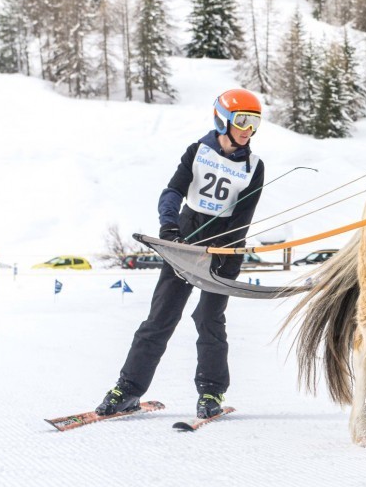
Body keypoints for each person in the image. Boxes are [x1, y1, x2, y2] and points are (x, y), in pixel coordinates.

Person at [95, 88, 266, 418]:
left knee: (209, 319)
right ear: (223, 120)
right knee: (160, 318)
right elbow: (172, 192)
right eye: (242, 121)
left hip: (226, 247)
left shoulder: (254, 166)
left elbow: (243, 218)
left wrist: (221, 250)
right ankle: (127, 390)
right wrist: (169, 229)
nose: (247, 129)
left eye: (254, 123)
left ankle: (211, 393)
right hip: (186, 239)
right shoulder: (198, 151)